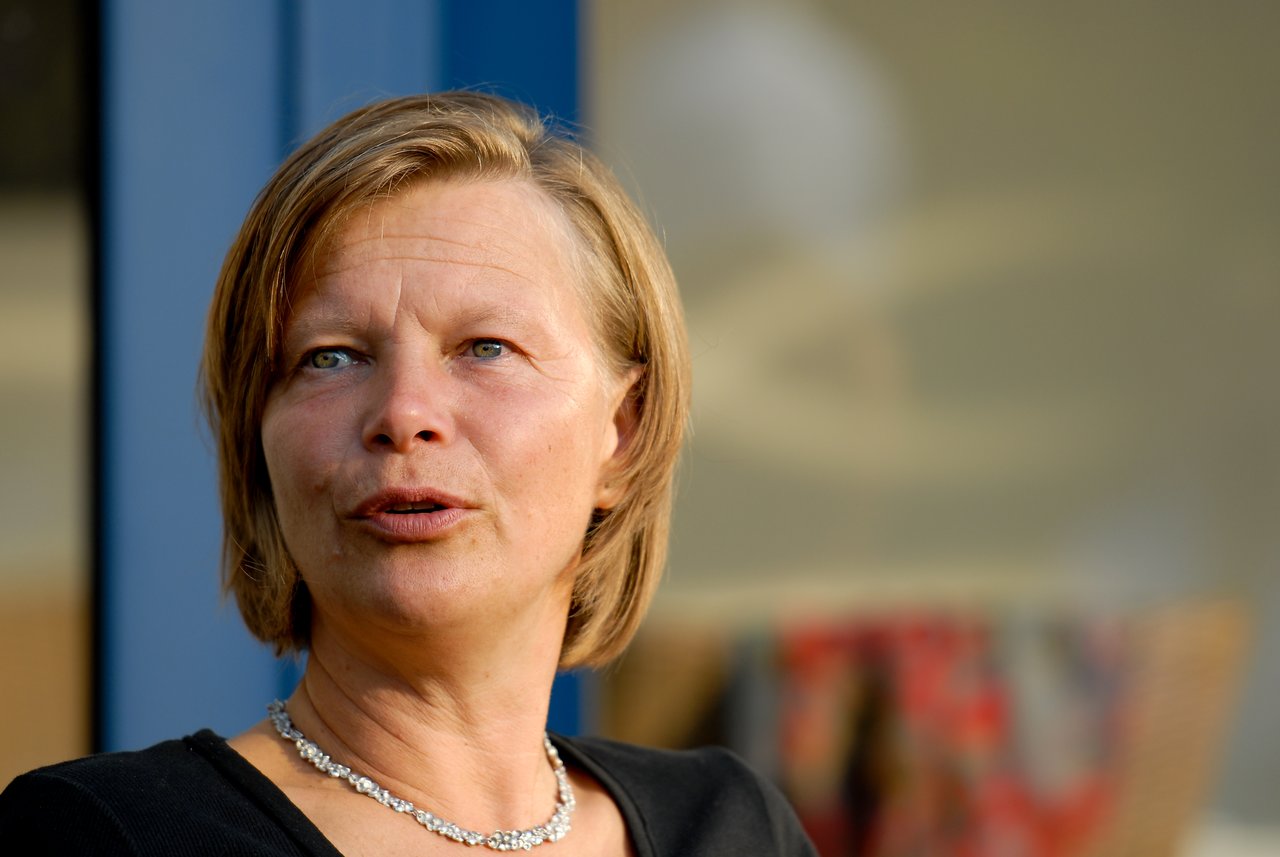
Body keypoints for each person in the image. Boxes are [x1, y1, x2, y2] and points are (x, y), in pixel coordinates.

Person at [0, 92, 817, 855]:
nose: (403, 412)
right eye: (332, 357)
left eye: (485, 348)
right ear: (259, 442)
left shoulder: (733, 827)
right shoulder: (106, 837)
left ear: (623, 430)